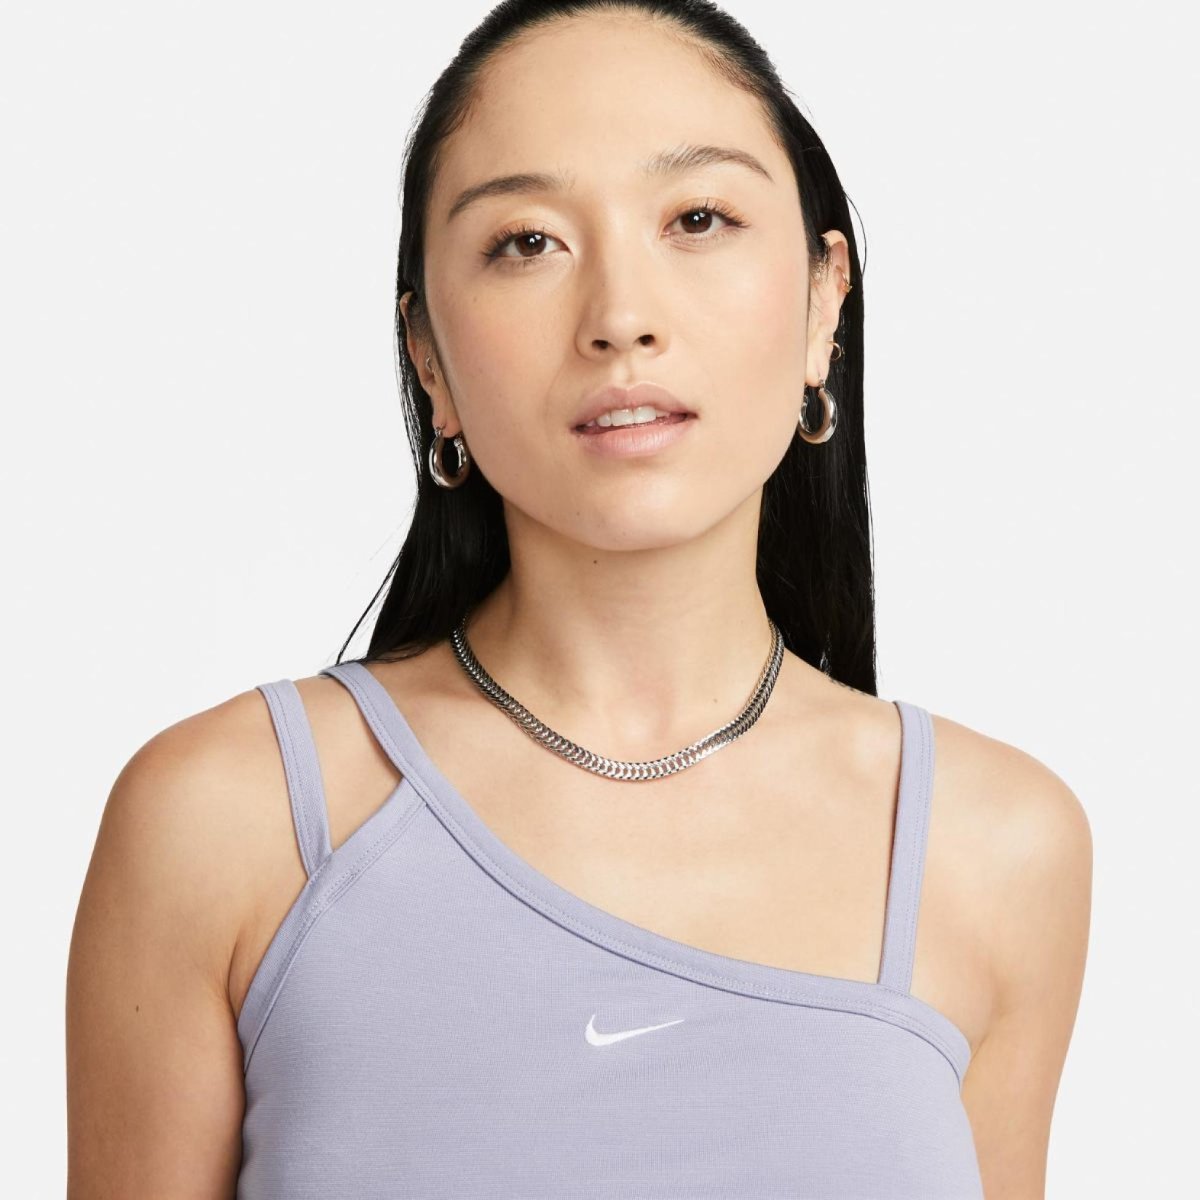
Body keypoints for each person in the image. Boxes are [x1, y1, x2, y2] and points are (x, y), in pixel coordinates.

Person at [65, 1, 1092, 1196]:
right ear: (429, 359)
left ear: (825, 300)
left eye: (697, 219)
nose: (620, 319)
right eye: (527, 242)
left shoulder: (993, 847)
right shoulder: (226, 824)